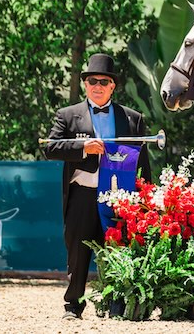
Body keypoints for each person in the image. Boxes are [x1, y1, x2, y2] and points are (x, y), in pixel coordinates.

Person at [43, 53, 152, 319]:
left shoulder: (133, 118)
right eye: (93, 80)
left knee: (118, 252)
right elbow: (50, 148)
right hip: (82, 194)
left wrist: (146, 197)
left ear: (113, 85)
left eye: (104, 81)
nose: (98, 85)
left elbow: (143, 162)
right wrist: (83, 148)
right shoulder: (67, 116)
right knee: (78, 253)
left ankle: (116, 305)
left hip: (119, 198)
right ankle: (73, 306)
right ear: (85, 84)